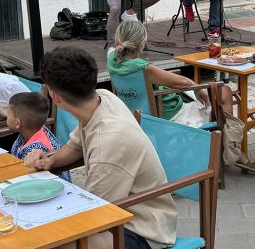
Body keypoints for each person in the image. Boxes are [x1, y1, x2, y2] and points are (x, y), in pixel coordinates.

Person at [24, 46, 177, 249]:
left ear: (55, 96)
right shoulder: (102, 98)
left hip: (143, 229)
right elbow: (75, 145)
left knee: (47, 240)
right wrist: (50, 160)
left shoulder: (109, 141)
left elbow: (93, 214)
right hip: (122, 211)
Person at [108, 19, 255, 173]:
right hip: (170, 117)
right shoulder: (143, 67)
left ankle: (227, 150)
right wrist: (196, 89)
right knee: (224, 91)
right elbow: (183, 82)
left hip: (138, 117)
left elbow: (171, 81)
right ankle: (229, 151)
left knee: (213, 93)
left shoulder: (112, 61)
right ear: (142, 43)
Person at [7, 92, 71, 182]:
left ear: (17, 123)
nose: (6, 116)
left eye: (8, 113)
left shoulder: (35, 151)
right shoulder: (37, 129)